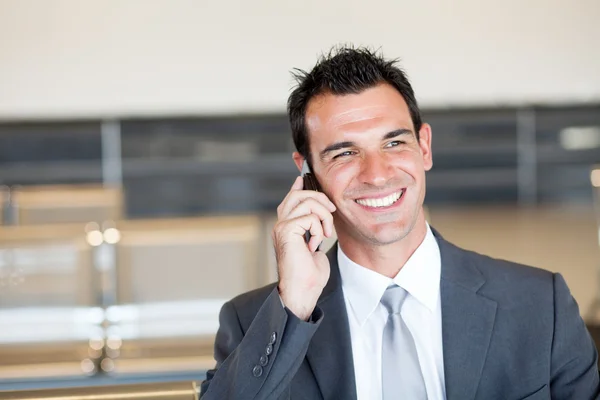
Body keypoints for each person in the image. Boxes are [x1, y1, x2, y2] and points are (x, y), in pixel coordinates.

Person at [199, 46, 600, 400]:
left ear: (424, 146)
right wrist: (295, 304)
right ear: (306, 172)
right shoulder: (255, 322)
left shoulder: (539, 305)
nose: (377, 174)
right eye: (344, 153)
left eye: (394, 142)